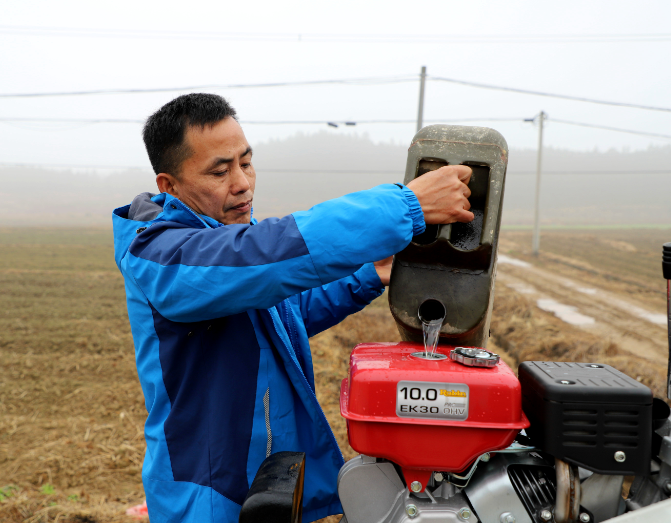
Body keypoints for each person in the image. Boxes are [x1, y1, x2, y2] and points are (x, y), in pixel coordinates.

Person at [112, 93, 473, 523]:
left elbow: (287, 313)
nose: (242, 182)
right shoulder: (162, 254)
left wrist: (369, 274)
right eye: (219, 171)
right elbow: (259, 255)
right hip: (208, 492)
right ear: (169, 186)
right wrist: (406, 206)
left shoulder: (228, 245)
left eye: (246, 162)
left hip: (269, 480)